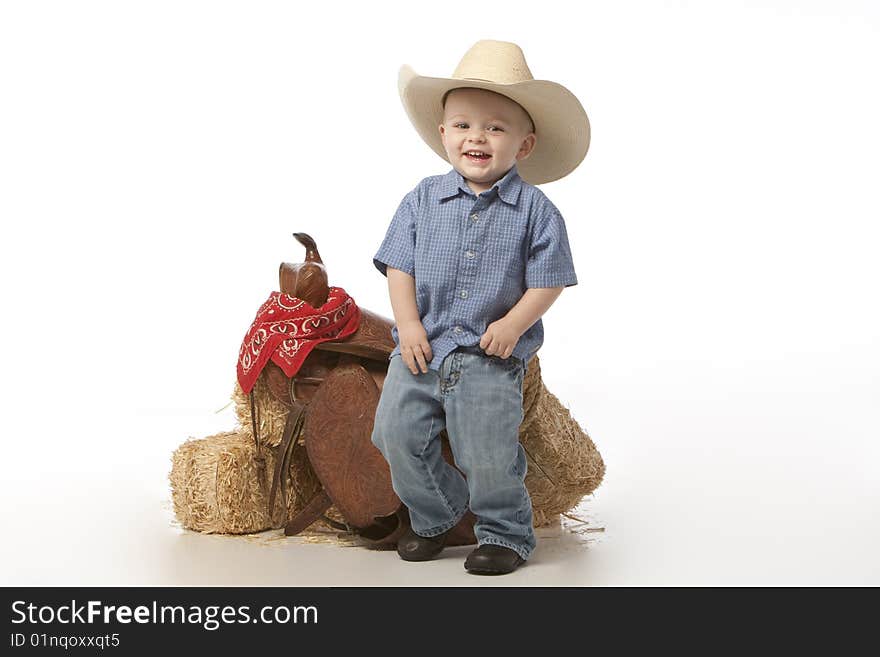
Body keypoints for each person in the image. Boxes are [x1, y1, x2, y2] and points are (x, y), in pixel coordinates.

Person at [370, 40, 590, 575]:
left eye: (495, 127)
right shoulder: (421, 199)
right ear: (443, 134)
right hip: (423, 348)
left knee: (487, 451)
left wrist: (514, 324)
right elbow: (401, 266)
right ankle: (436, 514)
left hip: (488, 355)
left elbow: (548, 279)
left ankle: (505, 532)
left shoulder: (537, 211)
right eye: (464, 124)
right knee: (393, 434)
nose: (477, 137)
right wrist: (408, 325)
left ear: (524, 144)